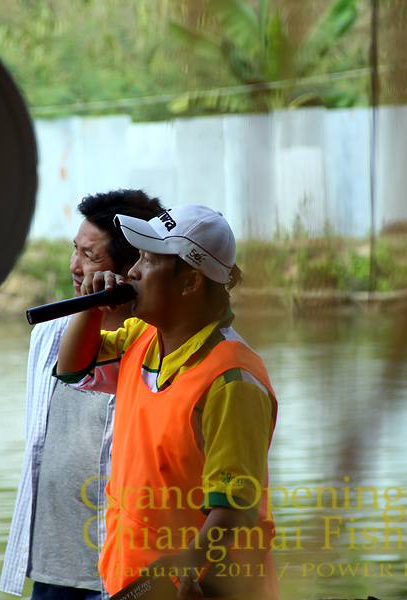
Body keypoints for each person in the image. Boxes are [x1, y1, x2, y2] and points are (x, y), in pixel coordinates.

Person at [56, 204, 278, 600]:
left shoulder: (232, 379)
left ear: (191, 282)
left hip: (199, 587)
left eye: (150, 261)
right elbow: (73, 369)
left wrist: (191, 563)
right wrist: (91, 308)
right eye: (137, 258)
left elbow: (235, 506)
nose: (133, 273)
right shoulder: (142, 336)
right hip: (131, 580)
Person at [0, 190, 165, 600]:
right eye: (75, 250)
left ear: (135, 266)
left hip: (130, 568)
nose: (75, 267)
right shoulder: (50, 333)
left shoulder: (160, 343)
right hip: (53, 562)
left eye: (91, 257)